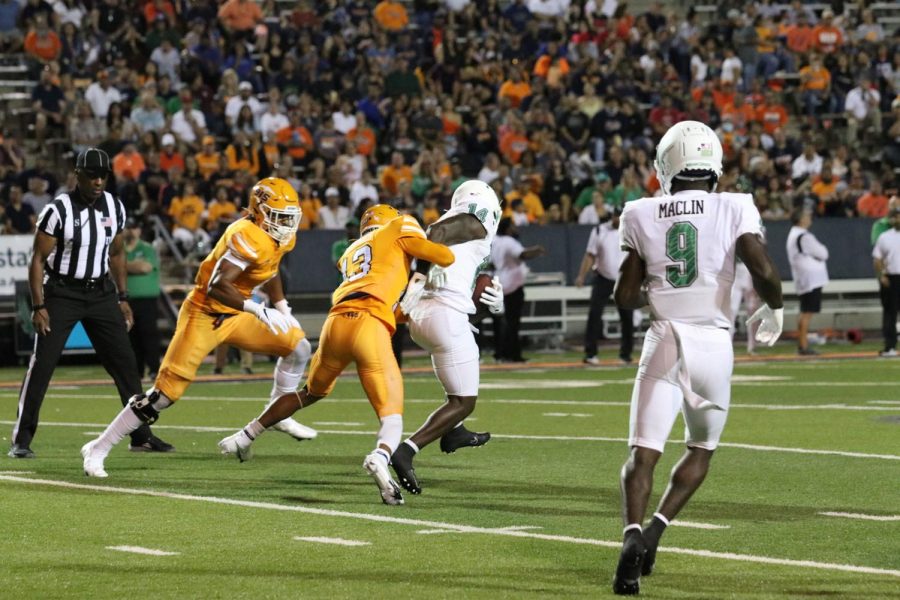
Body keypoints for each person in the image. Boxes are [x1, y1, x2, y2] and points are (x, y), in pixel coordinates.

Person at [611, 122, 783, 595]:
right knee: (700, 449)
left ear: (666, 166)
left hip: (665, 336)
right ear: (716, 165)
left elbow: (624, 296)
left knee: (642, 453)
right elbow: (764, 269)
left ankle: (630, 534)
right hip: (713, 342)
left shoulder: (642, 212)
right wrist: (776, 308)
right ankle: (656, 532)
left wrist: (656, 282)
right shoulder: (734, 205)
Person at [217, 204, 455, 506]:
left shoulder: (352, 251)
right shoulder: (398, 228)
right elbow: (444, 256)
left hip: (336, 325)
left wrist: (410, 305)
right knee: (391, 415)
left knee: (308, 393)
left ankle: (245, 436)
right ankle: (380, 457)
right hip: (369, 325)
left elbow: (392, 306)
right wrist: (426, 274)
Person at [81, 177, 317, 477]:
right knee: (163, 396)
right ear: (259, 211)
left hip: (236, 314)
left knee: (299, 347)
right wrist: (258, 309)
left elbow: (268, 269)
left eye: (288, 216)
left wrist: (283, 308)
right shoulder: (245, 234)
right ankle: (98, 448)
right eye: (278, 215)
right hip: (206, 313)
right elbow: (218, 286)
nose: (284, 222)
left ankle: (278, 411)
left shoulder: (276, 237)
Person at [10, 148, 172, 458]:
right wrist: (38, 305)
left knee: (126, 364)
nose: (98, 181)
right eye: (92, 175)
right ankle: (22, 439)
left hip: (100, 293)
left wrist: (122, 297)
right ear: (78, 175)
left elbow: (117, 253)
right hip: (61, 293)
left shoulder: (114, 206)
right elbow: (38, 259)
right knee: (42, 365)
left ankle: (140, 435)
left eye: (103, 176)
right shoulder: (58, 210)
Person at [390, 180, 505, 495]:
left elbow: (448, 270)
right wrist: (418, 280)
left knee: (457, 385)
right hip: (441, 314)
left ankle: (454, 433)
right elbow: (435, 237)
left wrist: (490, 307)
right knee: (463, 401)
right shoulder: (473, 221)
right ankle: (407, 451)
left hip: (425, 317)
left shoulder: (453, 226)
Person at [574, 205, 633, 365]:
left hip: (624, 278)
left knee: (627, 317)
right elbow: (590, 255)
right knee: (594, 313)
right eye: (616, 216)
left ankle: (626, 354)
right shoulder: (600, 231)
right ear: (611, 216)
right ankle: (590, 353)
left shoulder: (631, 231)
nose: (618, 220)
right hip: (603, 277)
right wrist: (581, 276)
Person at [490, 217, 545, 362]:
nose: (516, 228)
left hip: (499, 282)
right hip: (512, 286)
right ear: (508, 228)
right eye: (513, 226)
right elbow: (522, 254)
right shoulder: (509, 241)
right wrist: (536, 250)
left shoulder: (495, 241)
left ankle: (500, 353)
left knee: (502, 322)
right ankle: (513, 354)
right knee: (513, 322)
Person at [786, 207, 829, 355]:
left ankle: (802, 344)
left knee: (804, 312)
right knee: (807, 313)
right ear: (801, 219)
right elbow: (823, 253)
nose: (809, 218)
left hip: (803, 278)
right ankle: (803, 346)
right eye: (806, 216)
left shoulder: (794, 234)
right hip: (811, 279)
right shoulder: (804, 236)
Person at [123, 218, 161, 381]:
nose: (131, 230)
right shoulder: (118, 248)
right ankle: (136, 372)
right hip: (126, 300)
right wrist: (133, 266)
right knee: (131, 338)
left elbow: (145, 267)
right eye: (128, 227)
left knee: (149, 335)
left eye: (134, 227)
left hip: (147, 300)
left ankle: (154, 369)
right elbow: (110, 268)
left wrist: (122, 266)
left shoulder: (146, 248)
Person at [873, 207, 900, 357]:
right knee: (890, 313)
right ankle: (890, 346)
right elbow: (877, 259)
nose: (897, 220)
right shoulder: (884, 236)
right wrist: (881, 275)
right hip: (892, 278)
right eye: (895, 217)